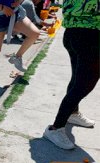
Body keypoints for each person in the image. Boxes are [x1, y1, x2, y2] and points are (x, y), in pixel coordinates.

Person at [43, 0, 99, 149]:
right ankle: (55, 128)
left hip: (74, 33)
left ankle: (73, 113)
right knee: (84, 85)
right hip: (90, 34)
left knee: (77, 79)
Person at [0, 0, 40, 86]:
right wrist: (3, 8)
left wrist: (19, 1)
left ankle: (17, 57)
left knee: (34, 34)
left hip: (15, 14)